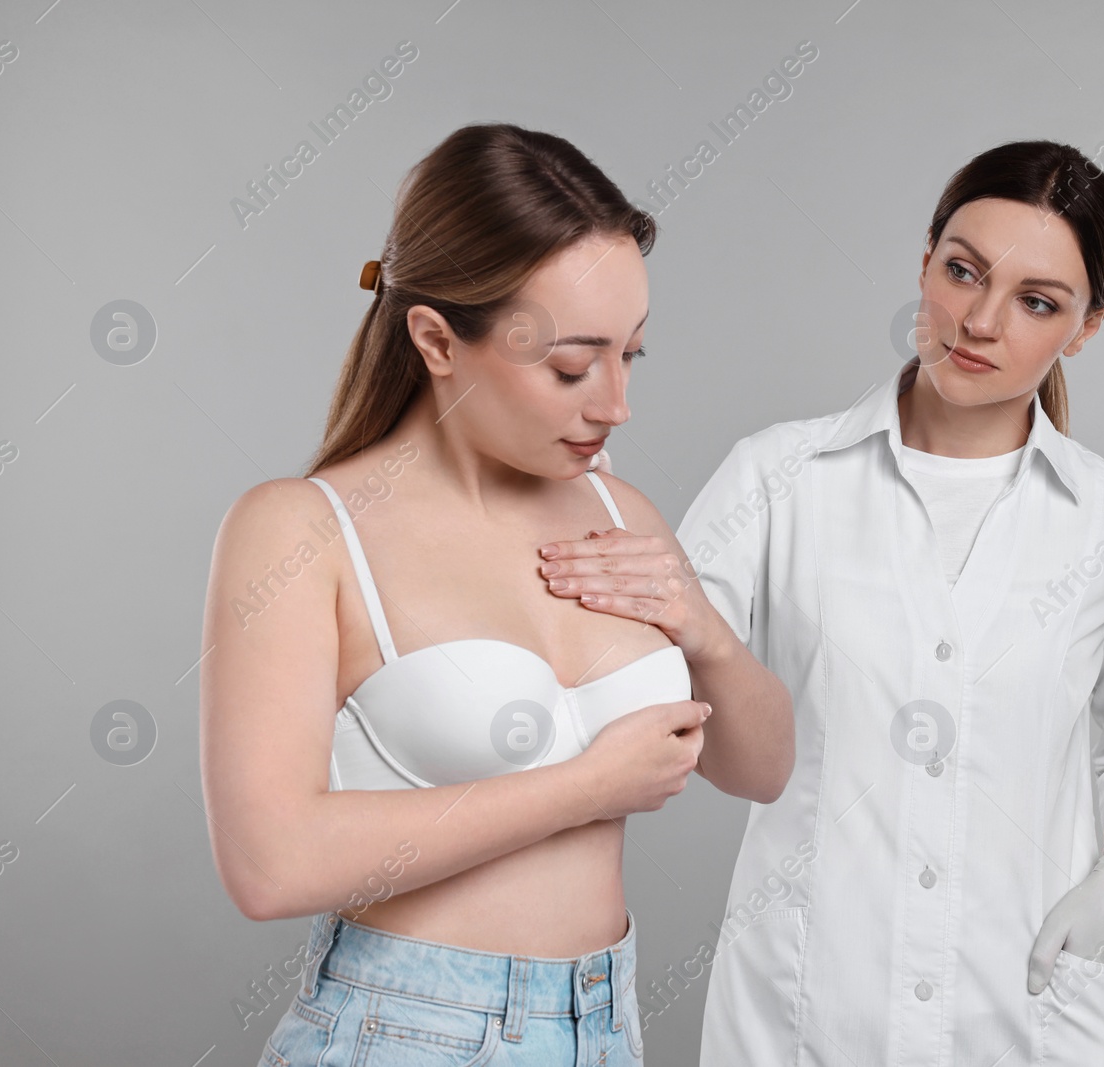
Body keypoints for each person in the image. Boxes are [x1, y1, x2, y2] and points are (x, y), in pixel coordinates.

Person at [197, 122, 793, 1067]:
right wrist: (586, 789)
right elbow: (271, 862)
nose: (614, 405)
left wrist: (704, 628)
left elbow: (760, 769)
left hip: (603, 1022)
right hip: (408, 1026)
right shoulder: (304, 530)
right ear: (436, 339)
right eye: (569, 366)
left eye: (631, 355)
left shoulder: (616, 507)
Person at [672, 140, 1104, 1065]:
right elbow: (653, 677)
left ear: (1087, 326)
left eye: (1038, 302)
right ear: (925, 261)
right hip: (800, 1019)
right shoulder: (776, 479)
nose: (981, 321)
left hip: (1019, 1018)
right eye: (964, 272)